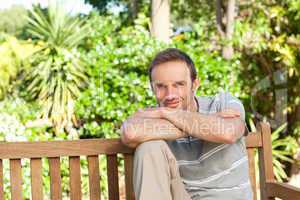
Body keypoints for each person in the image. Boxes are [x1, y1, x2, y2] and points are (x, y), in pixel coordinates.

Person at [121, 48, 253, 200]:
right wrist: (199, 123)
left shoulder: (222, 103)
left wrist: (167, 114)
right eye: (161, 86)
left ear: (195, 84)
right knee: (149, 147)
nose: (170, 94)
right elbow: (130, 132)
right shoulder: (152, 117)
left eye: (179, 84)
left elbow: (228, 132)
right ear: (152, 88)